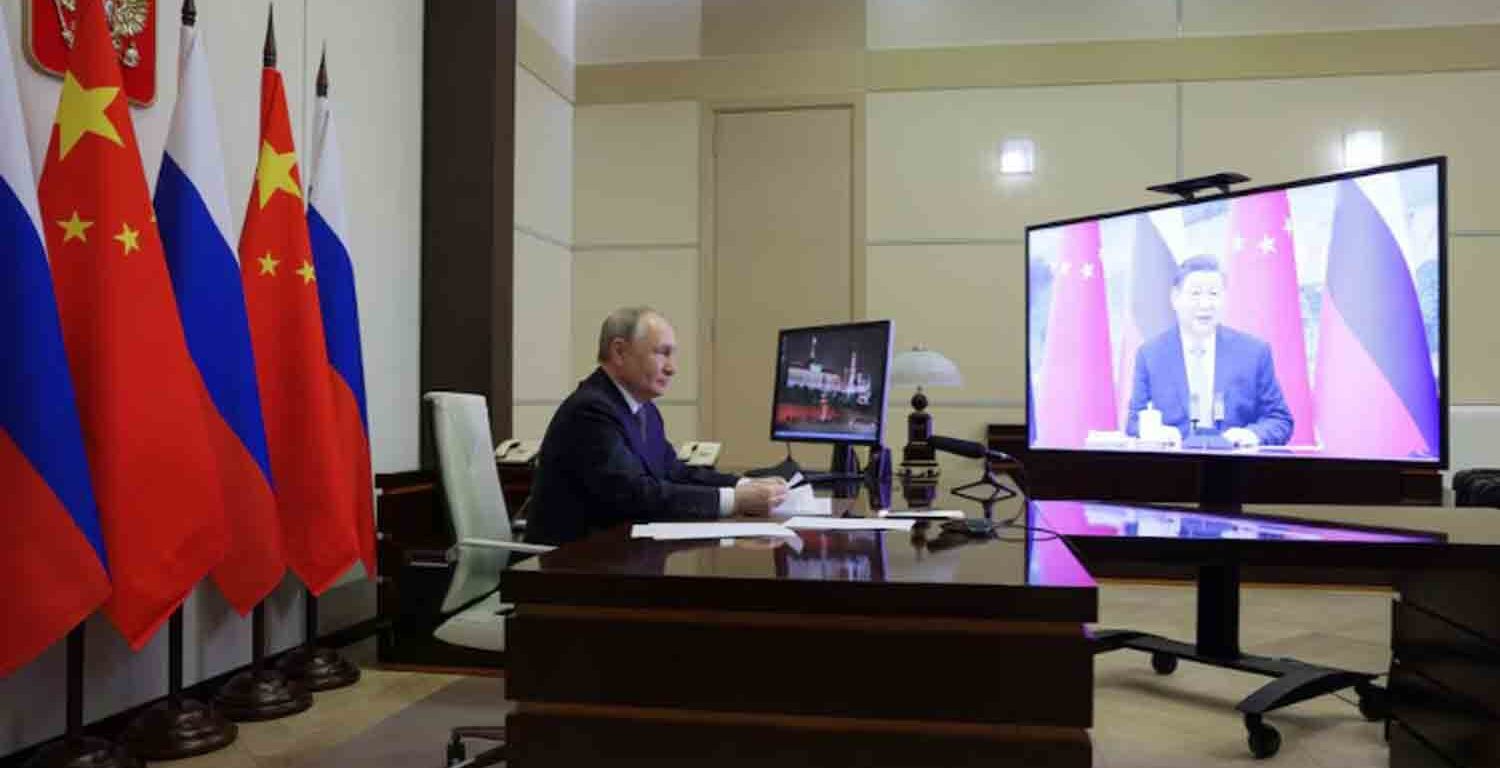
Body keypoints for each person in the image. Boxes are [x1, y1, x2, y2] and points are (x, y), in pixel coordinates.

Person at [525, 307, 789, 546]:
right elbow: (633, 496)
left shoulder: (644, 410)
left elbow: (673, 473)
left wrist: (746, 484)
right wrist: (735, 500)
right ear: (619, 352)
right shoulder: (590, 411)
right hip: (568, 569)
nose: (672, 368)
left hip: (616, 558)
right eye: (662, 353)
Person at [1125, 255, 1293, 447]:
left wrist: (1252, 435)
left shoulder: (1253, 352)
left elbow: (1280, 419)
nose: (1205, 305)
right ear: (1175, 298)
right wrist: (1155, 432)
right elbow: (1133, 422)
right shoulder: (1151, 354)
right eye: (1195, 294)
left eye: (1213, 294)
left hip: (1235, 467)